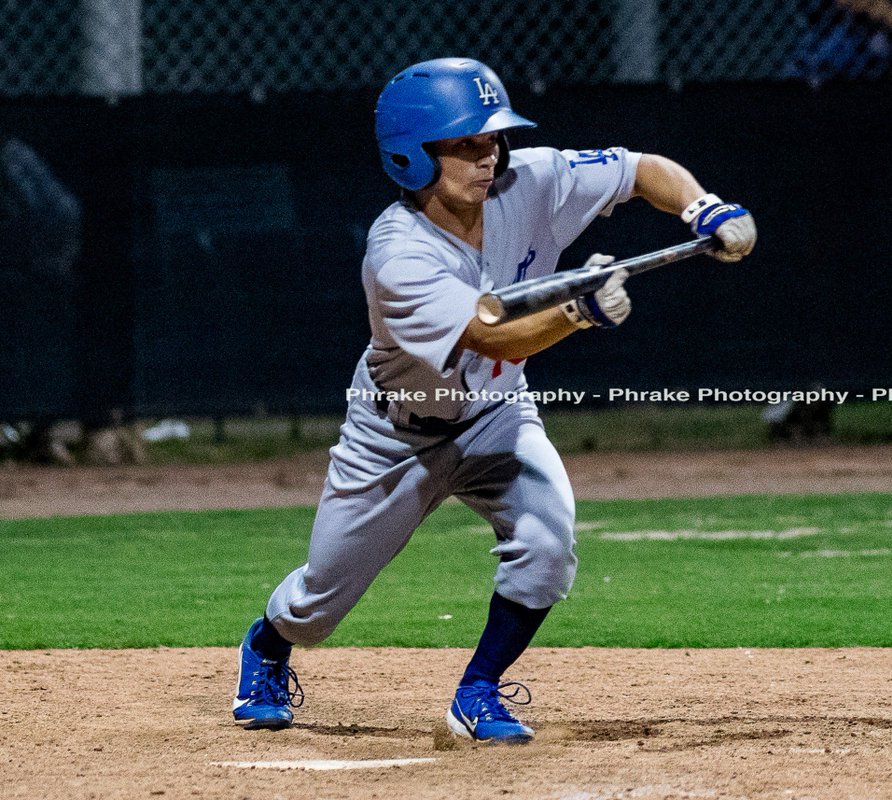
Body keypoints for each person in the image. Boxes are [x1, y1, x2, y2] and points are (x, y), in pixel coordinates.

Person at [232, 57, 756, 743]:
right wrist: (577, 313)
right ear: (409, 158)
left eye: (493, 139)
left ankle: (479, 689)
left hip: (497, 416)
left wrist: (702, 207)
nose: (489, 156)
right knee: (320, 602)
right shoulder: (398, 255)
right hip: (395, 434)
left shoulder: (529, 180)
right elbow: (495, 337)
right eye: (466, 144)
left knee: (547, 544)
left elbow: (640, 170)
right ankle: (268, 646)